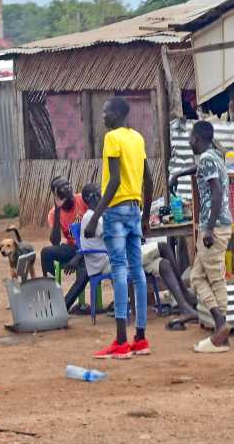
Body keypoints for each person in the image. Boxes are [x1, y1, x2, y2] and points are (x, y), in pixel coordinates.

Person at [85, 97, 153, 359]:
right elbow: (147, 178)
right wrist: (145, 216)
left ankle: (121, 342)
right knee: (138, 272)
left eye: (105, 112)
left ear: (116, 114)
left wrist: (94, 217)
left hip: (116, 211)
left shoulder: (112, 138)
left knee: (120, 270)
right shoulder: (137, 138)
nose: (102, 116)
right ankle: (141, 338)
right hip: (135, 209)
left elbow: (113, 181)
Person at [183, 121, 234, 352]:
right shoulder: (214, 157)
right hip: (220, 224)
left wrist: (209, 229)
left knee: (214, 278)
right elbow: (204, 175)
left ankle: (221, 328)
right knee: (197, 277)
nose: (188, 141)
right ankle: (221, 329)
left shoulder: (206, 159)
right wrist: (179, 174)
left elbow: (216, 192)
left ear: (197, 138)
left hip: (214, 226)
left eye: (191, 137)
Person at [64, 183, 109, 313]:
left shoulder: (96, 215)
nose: (102, 196)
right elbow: (112, 235)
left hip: (99, 258)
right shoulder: (91, 217)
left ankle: (64, 306)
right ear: (92, 198)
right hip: (101, 260)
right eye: (99, 193)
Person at [40, 177, 88, 279]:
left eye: (68, 184)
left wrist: (78, 257)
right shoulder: (53, 214)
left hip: (90, 247)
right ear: (56, 195)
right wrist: (58, 209)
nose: (68, 188)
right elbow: (55, 242)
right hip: (73, 248)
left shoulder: (82, 199)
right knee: (46, 252)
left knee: (82, 268)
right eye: (62, 187)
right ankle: (51, 291)